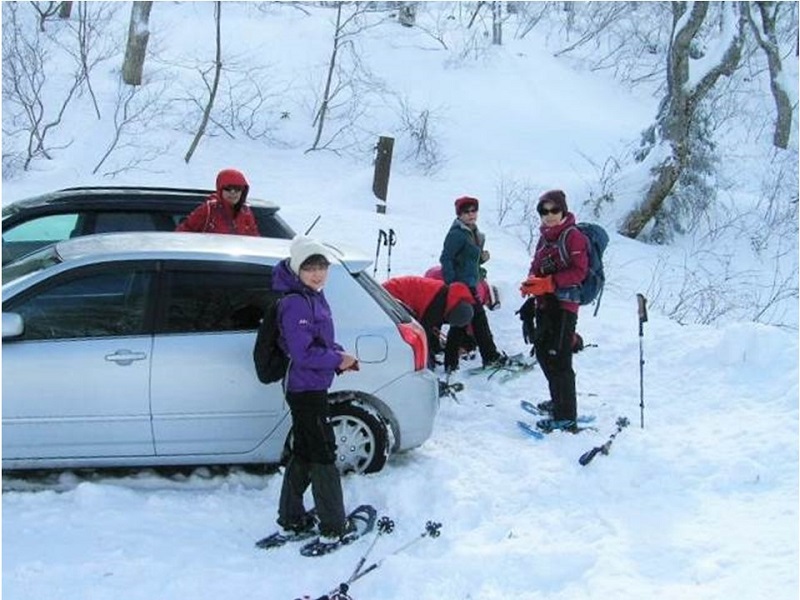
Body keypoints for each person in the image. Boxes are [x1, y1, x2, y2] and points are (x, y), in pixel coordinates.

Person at [272, 235, 359, 545]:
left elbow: (317, 342)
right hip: (304, 389)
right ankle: (334, 525)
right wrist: (337, 358)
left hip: (312, 386)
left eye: (322, 266)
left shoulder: (313, 295)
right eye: (310, 267)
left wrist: (340, 357)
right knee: (323, 453)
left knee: (306, 452)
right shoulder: (296, 302)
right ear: (298, 269)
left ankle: (292, 519)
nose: (318, 273)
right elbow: (303, 353)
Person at [520, 190, 589, 430]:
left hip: (564, 306)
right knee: (542, 353)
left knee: (559, 358)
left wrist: (550, 283)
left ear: (563, 211)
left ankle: (567, 415)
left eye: (553, 210)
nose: (548, 216)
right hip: (545, 305)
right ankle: (558, 400)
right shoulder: (545, 237)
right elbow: (536, 265)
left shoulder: (574, 237)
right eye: (543, 211)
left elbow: (579, 272)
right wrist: (532, 283)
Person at [439, 195, 505, 372]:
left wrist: (481, 259)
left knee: (476, 320)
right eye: (465, 211)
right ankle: (456, 363)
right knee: (464, 321)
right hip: (461, 286)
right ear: (459, 214)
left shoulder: (473, 231)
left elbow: (467, 261)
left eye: (473, 210)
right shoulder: (457, 234)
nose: (470, 214)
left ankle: (486, 357)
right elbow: (446, 259)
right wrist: (452, 284)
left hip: (471, 283)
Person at [383, 275, 475, 369]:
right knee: (407, 332)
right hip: (391, 295)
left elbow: (432, 326)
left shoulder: (449, 297)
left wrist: (435, 350)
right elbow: (423, 335)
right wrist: (429, 361)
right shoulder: (436, 305)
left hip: (395, 290)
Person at [175, 168, 260, 236]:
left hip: (237, 257)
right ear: (220, 189)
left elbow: (254, 242)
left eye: (238, 189)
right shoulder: (208, 210)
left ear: (243, 191)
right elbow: (182, 234)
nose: (233, 193)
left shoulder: (246, 213)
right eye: (228, 188)